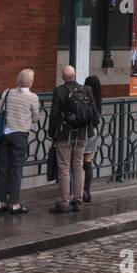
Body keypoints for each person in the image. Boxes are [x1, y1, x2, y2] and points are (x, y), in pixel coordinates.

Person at [48, 65, 98, 213]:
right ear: (75, 76)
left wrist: (52, 134)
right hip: (82, 134)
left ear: (63, 77)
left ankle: (63, 202)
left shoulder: (59, 91)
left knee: (64, 168)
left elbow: (54, 115)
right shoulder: (87, 90)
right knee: (78, 166)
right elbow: (94, 114)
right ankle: (78, 200)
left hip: (65, 135)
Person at [0, 69, 39, 214]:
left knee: (3, 167)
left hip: (5, 134)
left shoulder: (8, 92)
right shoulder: (33, 97)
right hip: (20, 135)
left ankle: (0, 202)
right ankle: (14, 203)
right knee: (16, 168)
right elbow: (35, 118)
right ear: (30, 82)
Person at [82, 74, 103, 203]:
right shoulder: (99, 99)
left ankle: (78, 191)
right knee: (88, 160)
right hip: (92, 132)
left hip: (82, 132)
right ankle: (87, 190)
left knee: (78, 162)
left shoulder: (84, 97)